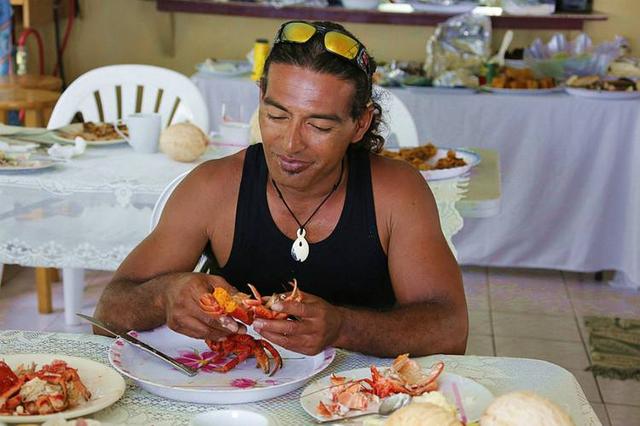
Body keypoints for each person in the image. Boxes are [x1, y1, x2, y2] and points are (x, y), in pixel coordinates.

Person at [94, 20, 468, 357]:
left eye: (319, 126)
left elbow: (449, 329)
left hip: (364, 399)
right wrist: (164, 296)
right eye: (276, 115)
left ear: (360, 123)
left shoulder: (396, 193)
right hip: (240, 398)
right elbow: (107, 312)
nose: (290, 144)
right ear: (260, 98)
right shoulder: (214, 188)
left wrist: (342, 326)